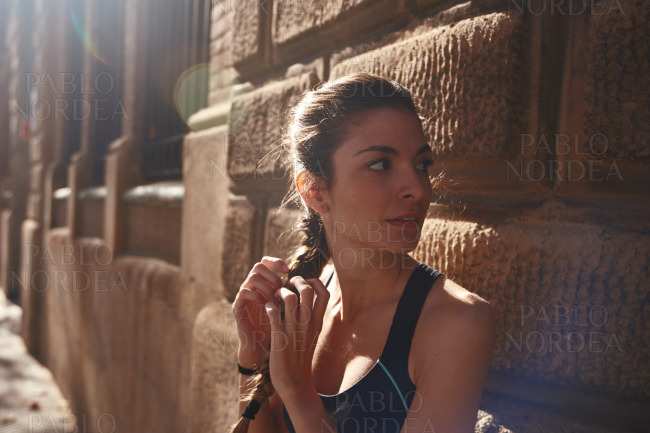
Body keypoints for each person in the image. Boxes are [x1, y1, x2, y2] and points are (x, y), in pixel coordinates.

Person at [231, 73, 495, 433]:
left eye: (422, 164)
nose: (417, 189)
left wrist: (297, 390)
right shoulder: (306, 300)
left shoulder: (456, 324)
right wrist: (252, 356)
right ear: (314, 191)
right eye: (381, 164)